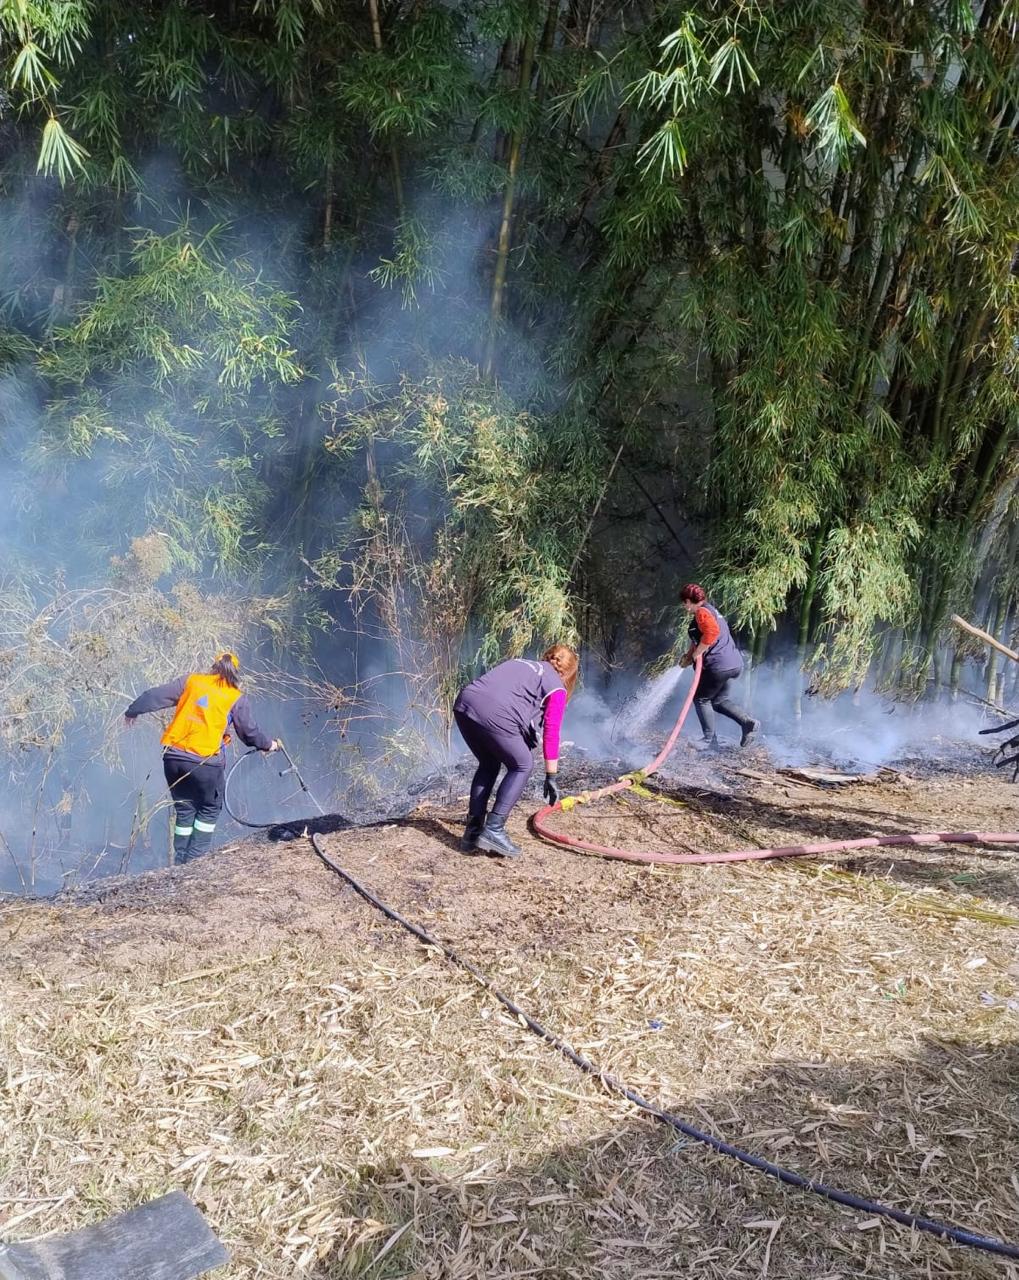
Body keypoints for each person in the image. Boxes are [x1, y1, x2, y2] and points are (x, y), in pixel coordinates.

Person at [123, 652, 278, 863]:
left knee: (184, 808)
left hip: (174, 758)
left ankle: (181, 862)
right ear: (235, 673)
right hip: (205, 762)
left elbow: (155, 695)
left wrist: (133, 710)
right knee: (209, 809)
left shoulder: (191, 682)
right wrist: (269, 745)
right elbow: (249, 733)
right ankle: (195, 861)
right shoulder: (234, 697)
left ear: (213, 667)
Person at [453, 644, 579, 858]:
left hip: (465, 703)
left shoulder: (520, 663)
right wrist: (551, 775)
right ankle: (494, 829)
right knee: (523, 764)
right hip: (495, 713)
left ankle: (472, 833)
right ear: (568, 673)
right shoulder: (557, 688)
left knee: (489, 763)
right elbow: (551, 733)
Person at [678, 584, 760, 749]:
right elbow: (702, 638)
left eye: (685, 603)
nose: (684, 606)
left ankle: (709, 740)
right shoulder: (712, 611)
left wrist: (697, 653)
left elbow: (711, 633)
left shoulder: (701, 612)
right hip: (732, 663)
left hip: (718, 665)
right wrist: (689, 656)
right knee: (719, 700)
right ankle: (748, 723)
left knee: (701, 699)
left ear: (688, 601)